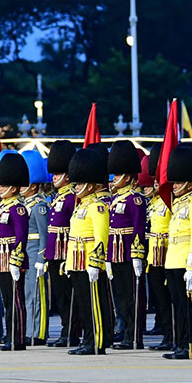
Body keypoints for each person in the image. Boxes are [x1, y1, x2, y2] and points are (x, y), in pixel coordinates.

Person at [65, 148, 111, 356]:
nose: (76, 188)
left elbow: (102, 237)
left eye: (80, 184)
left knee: (94, 304)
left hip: (89, 262)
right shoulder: (81, 205)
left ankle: (97, 341)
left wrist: (96, 262)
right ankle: (88, 338)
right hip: (76, 261)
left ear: (91, 184)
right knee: (84, 304)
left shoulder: (98, 207)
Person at [163, 143, 192, 360]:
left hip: (186, 262)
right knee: (179, 306)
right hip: (173, 260)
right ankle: (181, 344)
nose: (175, 185)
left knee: (190, 307)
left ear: (190, 182)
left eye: (179, 181)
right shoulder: (180, 204)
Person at [105, 142, 147, 350]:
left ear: (128, 177)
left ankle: (134, 336)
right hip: (116, 253)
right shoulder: (115, 199)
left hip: (130, 253)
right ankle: (126, 333)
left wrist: (138, 255)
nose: (114, 179)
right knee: (120, 297)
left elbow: (139, 228)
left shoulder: (136, 200)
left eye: (118, 175)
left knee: (133, 297)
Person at [0, 151, 32, 351]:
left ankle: (18, 339)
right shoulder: (4, 207)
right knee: (7, 301)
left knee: (16, 302)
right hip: (1, 258)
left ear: (14, 187)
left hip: (12, 259)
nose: (0, 189)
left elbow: (21, 237)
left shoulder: (18, 209)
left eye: (5, 185)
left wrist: (16, 261)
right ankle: (10, 335)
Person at [45, 140, 78, 347]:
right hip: (54, 252)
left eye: (58, 174)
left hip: (66, 251)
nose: (54, 177)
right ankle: (66, 329)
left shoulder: (72, 197)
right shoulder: (58, 197)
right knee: (60, 296)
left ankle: (71, 331)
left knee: (68, 294)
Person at [20, 150, 51, 347]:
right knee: (27, 294)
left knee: (36, 294)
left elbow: (44, 235)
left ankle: (38, 331)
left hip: (35, 252)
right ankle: (29, 329)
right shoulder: (24, 204)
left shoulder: (40, 206)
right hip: (24, 252)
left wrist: (42, 257)